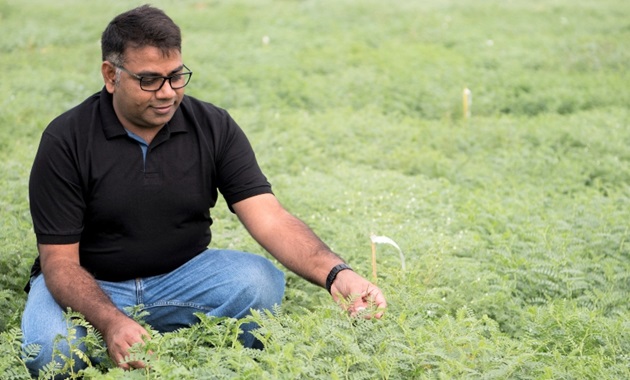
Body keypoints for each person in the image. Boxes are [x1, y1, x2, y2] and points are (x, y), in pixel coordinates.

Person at [21, 4, 387, 377]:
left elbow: (270, 218)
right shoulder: (66, 139)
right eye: (149, 80)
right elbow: (60, 263)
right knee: (49, 352)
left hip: (182, 278)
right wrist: (110, 320)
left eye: (176, 76)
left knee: (258, 282)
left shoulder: (213, 126)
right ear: (111, 75)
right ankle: (123, 339)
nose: (167, 93)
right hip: (91, 284)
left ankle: (179, 348)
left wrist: (337, 273)